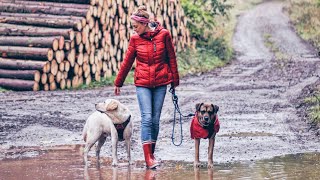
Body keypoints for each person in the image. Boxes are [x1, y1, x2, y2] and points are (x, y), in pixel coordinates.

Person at [114, 5, 180, 169]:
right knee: (147, 118)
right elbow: (127, 61)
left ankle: (151, 154)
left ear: (144, 24)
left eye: (136, 26)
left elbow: (171, 58)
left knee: (156, 120)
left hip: (161, 82)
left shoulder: (164, 35)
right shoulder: (135, 39)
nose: (134, 29)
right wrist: (118, 82)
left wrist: (174, 80)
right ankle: (148, 158)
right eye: (133, 27)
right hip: (142, 83)